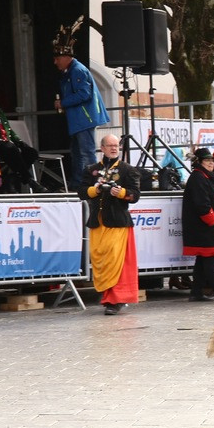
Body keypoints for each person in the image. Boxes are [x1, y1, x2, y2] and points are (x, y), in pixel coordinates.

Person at [80, 135, 141, 315]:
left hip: (117, 222)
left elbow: (135, 195)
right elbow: (82, 192)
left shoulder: (128, 170)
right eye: (110, 145)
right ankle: (108, 296)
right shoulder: (91, 169)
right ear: (102, 147)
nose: (114, 149)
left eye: (116, 146)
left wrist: (121, 192)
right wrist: (96, 189)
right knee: (101, 259)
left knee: (116, 259)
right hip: (97, 222)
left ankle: (115, 300)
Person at [53, 16, 109, 191]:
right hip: (78, 119)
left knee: (86, 152)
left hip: (83, 118)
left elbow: (84, 94)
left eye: (57, 58)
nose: (55, 62)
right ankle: (77, 184)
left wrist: (63, 102)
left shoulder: (77, 70)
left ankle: (93, 184)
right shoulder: (71, 71)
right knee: (77, 153)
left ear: (66, 56)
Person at [181, 147, 214, 303]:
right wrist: (213, 222)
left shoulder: (206, 177)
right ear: (199, 162)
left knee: (202, 259)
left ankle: (196, 291)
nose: (210, 163)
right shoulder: (198, 178)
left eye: (212, 160)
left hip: (205, 225)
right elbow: (202, 204)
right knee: (209, 259)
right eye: (207, 161)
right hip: (203, 226)